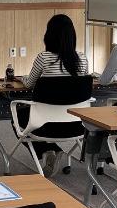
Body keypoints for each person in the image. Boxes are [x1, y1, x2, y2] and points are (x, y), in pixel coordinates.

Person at [16, 14, 88, 174]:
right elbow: (82, 83)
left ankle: (47, 150)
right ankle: (52, 150)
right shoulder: (82, 59)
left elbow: (29, 84)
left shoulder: (43, 57)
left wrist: (21, 78)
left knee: (18, 115)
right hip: (76, 124)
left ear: (49, 35)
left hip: (45, 124)